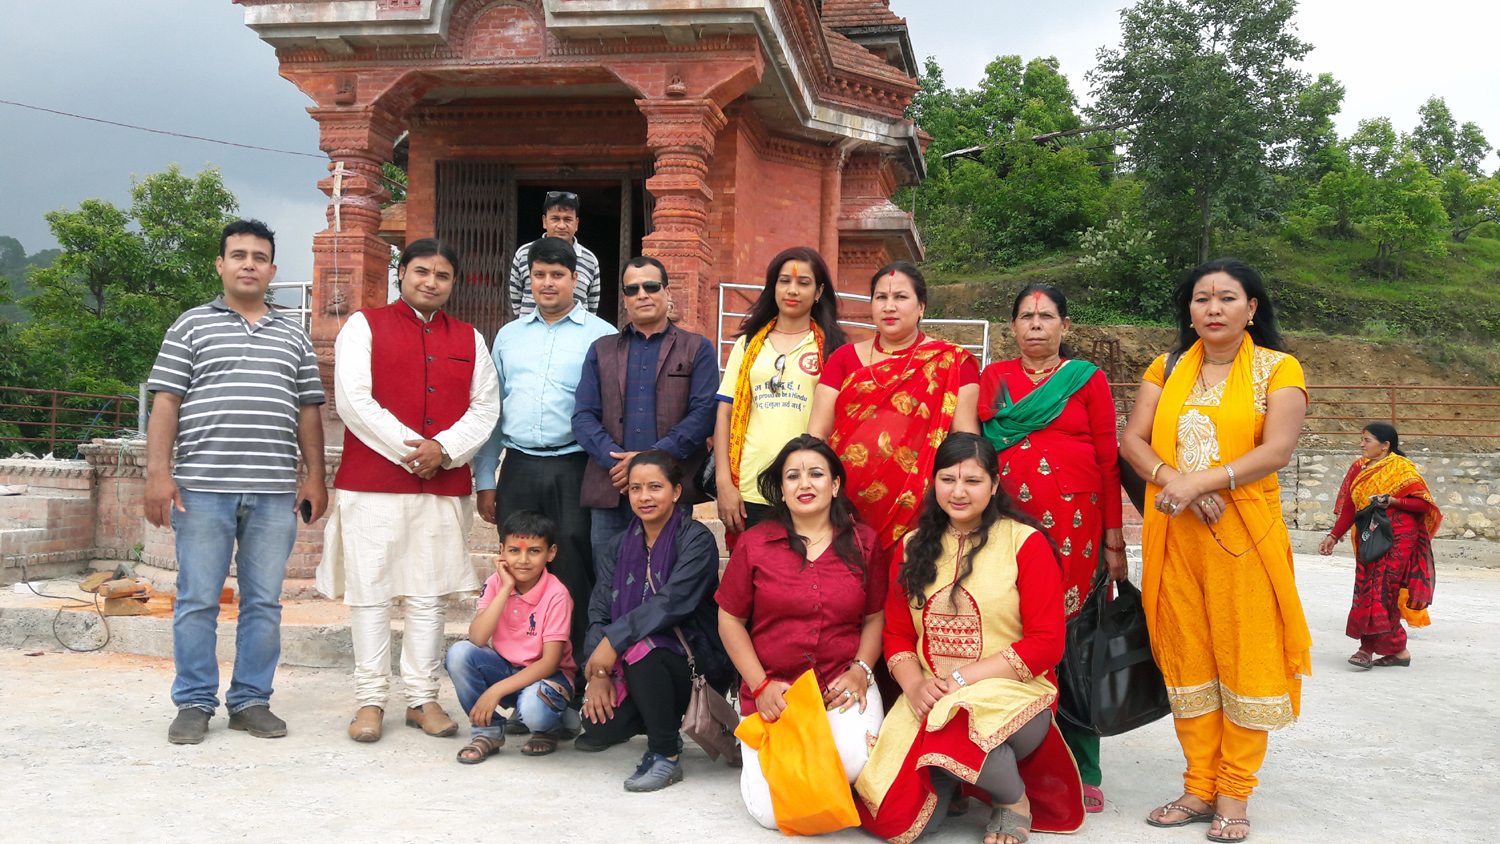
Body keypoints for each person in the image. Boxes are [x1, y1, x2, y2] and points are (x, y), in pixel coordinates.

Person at [1119, 258, 1311, 842]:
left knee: (1245, 663)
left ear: (1252, 308)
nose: (1213, 309)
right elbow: (1133, 440)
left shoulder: (1280, 369)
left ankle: (1234, 793)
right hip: (1175, 536)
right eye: (1202, 299)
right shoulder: (1166, 365)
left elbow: (1277, 449)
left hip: (1244, 541)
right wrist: (1177, 478)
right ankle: (1198, 786)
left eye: (1227, 298)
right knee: (1188, 661)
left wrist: (1204, 481)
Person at [145, 219, 327, 745]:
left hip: (273, 492)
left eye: (259, 256)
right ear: (221, 265)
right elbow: (166, 403)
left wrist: (315, 477)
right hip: (202, 487)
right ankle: (195, 701)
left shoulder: (292, 333)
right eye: (239, 255)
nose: (249, 263)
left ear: (272, 269)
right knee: (198, 598)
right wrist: (159, 474)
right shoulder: (191, 325)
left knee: (264, 602)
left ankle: (250, 699)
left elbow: (309, 410)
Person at [855, 433, 1084, 844]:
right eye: (948, 479)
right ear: (934, 482)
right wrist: (913, 686)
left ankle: (1012, 799)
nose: (958, 492)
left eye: (973, 481)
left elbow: (1047, 642)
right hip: (930, 695)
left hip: (1013, 695)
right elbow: (897, 632)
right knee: (888, 819)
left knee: (955, 719)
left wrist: (961, 682)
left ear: (995, 485)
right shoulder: (911, 547)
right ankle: (952, 775)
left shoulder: (1024, 543)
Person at [318, 238, 501, 743]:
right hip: (373, 483)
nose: (431, 282)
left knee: (428, 595)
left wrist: (442, 449)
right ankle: (370, 700)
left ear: (453, 284)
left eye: (442, 276)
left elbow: (485, 409)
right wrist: (411, 449)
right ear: (402, 273)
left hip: (442, 486)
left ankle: (423, 697)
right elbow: (353, 400)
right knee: (371, 593)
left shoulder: (469, 338)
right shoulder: (365, 325)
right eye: (422, 271)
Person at [978, 282, 1125, 812]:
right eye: (1025, 316)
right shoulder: (992, 379)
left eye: (1046, 316)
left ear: (1065, 325)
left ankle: (1084, 765)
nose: (1035, 324)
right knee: (1011, 635)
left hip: (1078, 528)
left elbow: (1109, 461)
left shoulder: (1088, 380)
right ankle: (1013, 763)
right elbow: (976, 454)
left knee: (1077, 642)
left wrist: (1115, 538)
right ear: (1013, 327)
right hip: (1010, 527)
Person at [717, 434, 885, 829]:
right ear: (782, 488)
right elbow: (729, 620)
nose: (804, 484)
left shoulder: (864, 543)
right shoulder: (755, 543)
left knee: (852, 767)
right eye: (792, 476)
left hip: (840, 684)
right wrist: (761, 686)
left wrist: (861, 669)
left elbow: (876, 616)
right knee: (773, 815)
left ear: (835, 484)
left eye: (816, 474)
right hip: (776, 690)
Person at [475, 236, 616, 705]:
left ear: (576, 280)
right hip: (518, 465)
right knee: (517, 565)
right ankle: (516, 673)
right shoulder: (508, 336)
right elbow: (492, 410)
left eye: (558, 275)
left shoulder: (600, 334)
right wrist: (487, 479)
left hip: (575, 465)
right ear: (528, 280)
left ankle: (569, 682)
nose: (548, 283)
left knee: (573, 567)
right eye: (539, 275)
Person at [577, 451, 731, 792]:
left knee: (643, 648)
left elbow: (672, 602)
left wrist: (613, 642)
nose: (644, 497)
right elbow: (599, 610)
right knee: (601, 726)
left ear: (676, 491)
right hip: (633, 660)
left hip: (696, 660)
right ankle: (659, 720)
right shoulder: (618, 546)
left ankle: (664, 754)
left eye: (655, 487)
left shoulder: (696, 540)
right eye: (635, 488)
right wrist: (597, 672)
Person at [808, 261, 980, 556]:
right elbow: (816, 437)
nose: (889, 306)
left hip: (919, 507)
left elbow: (966, 441)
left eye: (900, 297)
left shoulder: (951, 362)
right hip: (843, 505)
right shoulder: (843, 358)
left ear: (921, 306)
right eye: (881, 297)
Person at [573, 256, 718, 553]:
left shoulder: (697, 348)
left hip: (670, 488)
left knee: (667, 581)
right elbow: (583, 416)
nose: (642, 294)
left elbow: (703, 414)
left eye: (651, 286)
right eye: (632, 289)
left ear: (667, 293)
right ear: (625, 298)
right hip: (612, 485)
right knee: (610, 582)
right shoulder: (601, 350)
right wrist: (617, 463)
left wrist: (650, 462)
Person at [714, 248, 848, 538]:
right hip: (750, 486)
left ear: (818, 291)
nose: (792, 290)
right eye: (784, 281)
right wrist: (724, 483)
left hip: (809, 487)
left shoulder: (834, 350)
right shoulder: (748, 345)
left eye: (803, 283)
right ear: (772, 286)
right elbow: (725, 413)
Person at [446, 511, 578, 762]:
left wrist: (495, 691)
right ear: (502, 551)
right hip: (507, 670)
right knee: (459, 653)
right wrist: (506, 587)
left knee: (533, 710)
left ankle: (548, 727)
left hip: (546, 677)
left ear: (551, 553)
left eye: (534, 551)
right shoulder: (498, 582)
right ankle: (489, 731)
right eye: (515, 550)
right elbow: (476, 638)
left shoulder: (556, 594)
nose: (524, 560)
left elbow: (550, 662)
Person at [1319, 424, 1439, 669]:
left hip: (1398, 538)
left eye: (1367, 440)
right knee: (1368, 589)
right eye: (1361, 439)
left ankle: (1366, 649)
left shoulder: (1401, 468)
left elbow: (1423, 505)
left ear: (1385, 446)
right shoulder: (1359, 469)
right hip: (1369, 535)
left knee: (1382, 591)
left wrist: (1393, 500)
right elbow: (1351, 507)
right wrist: (1333, 535)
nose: (1362, 444)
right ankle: (1398, 649)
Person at [509, 190, 601, 317]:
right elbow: (516, 300)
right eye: (555, 219)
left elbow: (592, 306)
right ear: (544, 221)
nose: (561, 226)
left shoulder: (590, 260)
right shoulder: (523, 254)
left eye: (567, 219)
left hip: (575, 335)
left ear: (576, 224)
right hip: (531, 334)